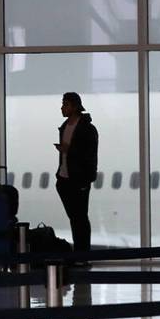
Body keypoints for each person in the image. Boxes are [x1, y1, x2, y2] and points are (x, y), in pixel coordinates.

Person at [54, 92, 98, 256]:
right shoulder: (65, 127)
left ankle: (83, 254)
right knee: (75, 218)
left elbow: (89, 153)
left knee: (80, 218)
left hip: (79, 179)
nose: (62, 108)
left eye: (65, 104)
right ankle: (79, 253)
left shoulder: (87, 129)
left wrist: (68, 150)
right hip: (65, 178)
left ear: (74, 106)